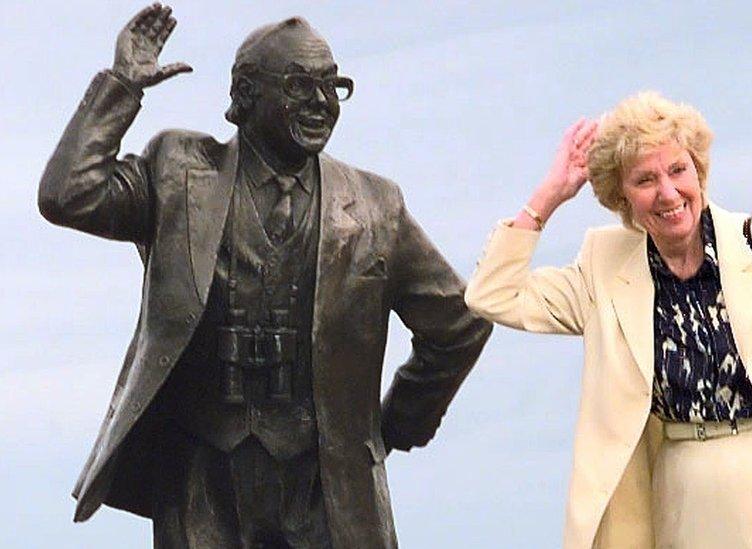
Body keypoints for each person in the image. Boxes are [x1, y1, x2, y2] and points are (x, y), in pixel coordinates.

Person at [37, 4, 491, 548]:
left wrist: (395, 425)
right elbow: (69, 194)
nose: (321, 103)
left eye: (332, 86)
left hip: (325, 488)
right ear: (246, 95)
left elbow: (458, 323)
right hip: (201, 476)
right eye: (300, 86)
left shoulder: (374, 207)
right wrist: (120, 87)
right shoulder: (178, 169)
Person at [464, 92, 752, 548]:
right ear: (621, 197)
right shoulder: (604, 267)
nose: (668, 192)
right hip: (679, 504)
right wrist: (548, 196)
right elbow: (494, 295)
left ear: (699, 171)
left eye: (677, 170)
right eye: (645, 179)